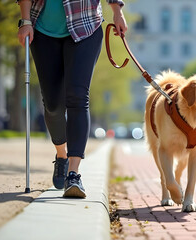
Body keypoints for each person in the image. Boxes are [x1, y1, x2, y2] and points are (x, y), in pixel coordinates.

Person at [17, 0, 127, 198]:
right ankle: (62, 154)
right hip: (42, 30)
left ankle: (73, 174)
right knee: (52, 104)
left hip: (85, 27)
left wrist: (117, 11)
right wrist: (25, 20)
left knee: (77, 96)